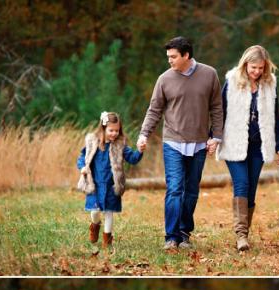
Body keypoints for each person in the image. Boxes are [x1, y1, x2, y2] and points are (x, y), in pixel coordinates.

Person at [137, 37, 223, 251]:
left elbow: (217, 108)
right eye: (168, 57)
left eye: (173, 57)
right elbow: (154, 110)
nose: (170, 61)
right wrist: (143, 134)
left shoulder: (209, 74)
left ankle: (184, 233)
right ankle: (171, 237)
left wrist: (217, 137)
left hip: (200, 143)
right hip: (173, 142)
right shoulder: (164, 79)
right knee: (175, 189)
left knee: (191, 190)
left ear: (186, 55)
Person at [217, 45, 279, 252]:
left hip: (258, 145)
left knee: (252, 190)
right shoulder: (232, 81)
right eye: (253, 67)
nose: (256, 72)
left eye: (260, 68)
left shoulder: (269, 84)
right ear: (245, 63)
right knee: (242, 184)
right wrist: (214, 137)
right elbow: (220, 111)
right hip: (235, 143)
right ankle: (241, 236)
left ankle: (244, 231)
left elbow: (275, 116)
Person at [76, 111, 143, 255]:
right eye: (111, 130)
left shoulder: (120, 145)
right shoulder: (92, 141)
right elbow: (82, 156)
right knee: (95, 211)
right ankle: (95, 225)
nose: (114, 133)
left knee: (109, 212)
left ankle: (107, 240)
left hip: (111, 185)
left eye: (117, 130)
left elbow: (133, 158)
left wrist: (140, 150)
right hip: (95, 184)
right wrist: (82, 167)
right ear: (103, 128)